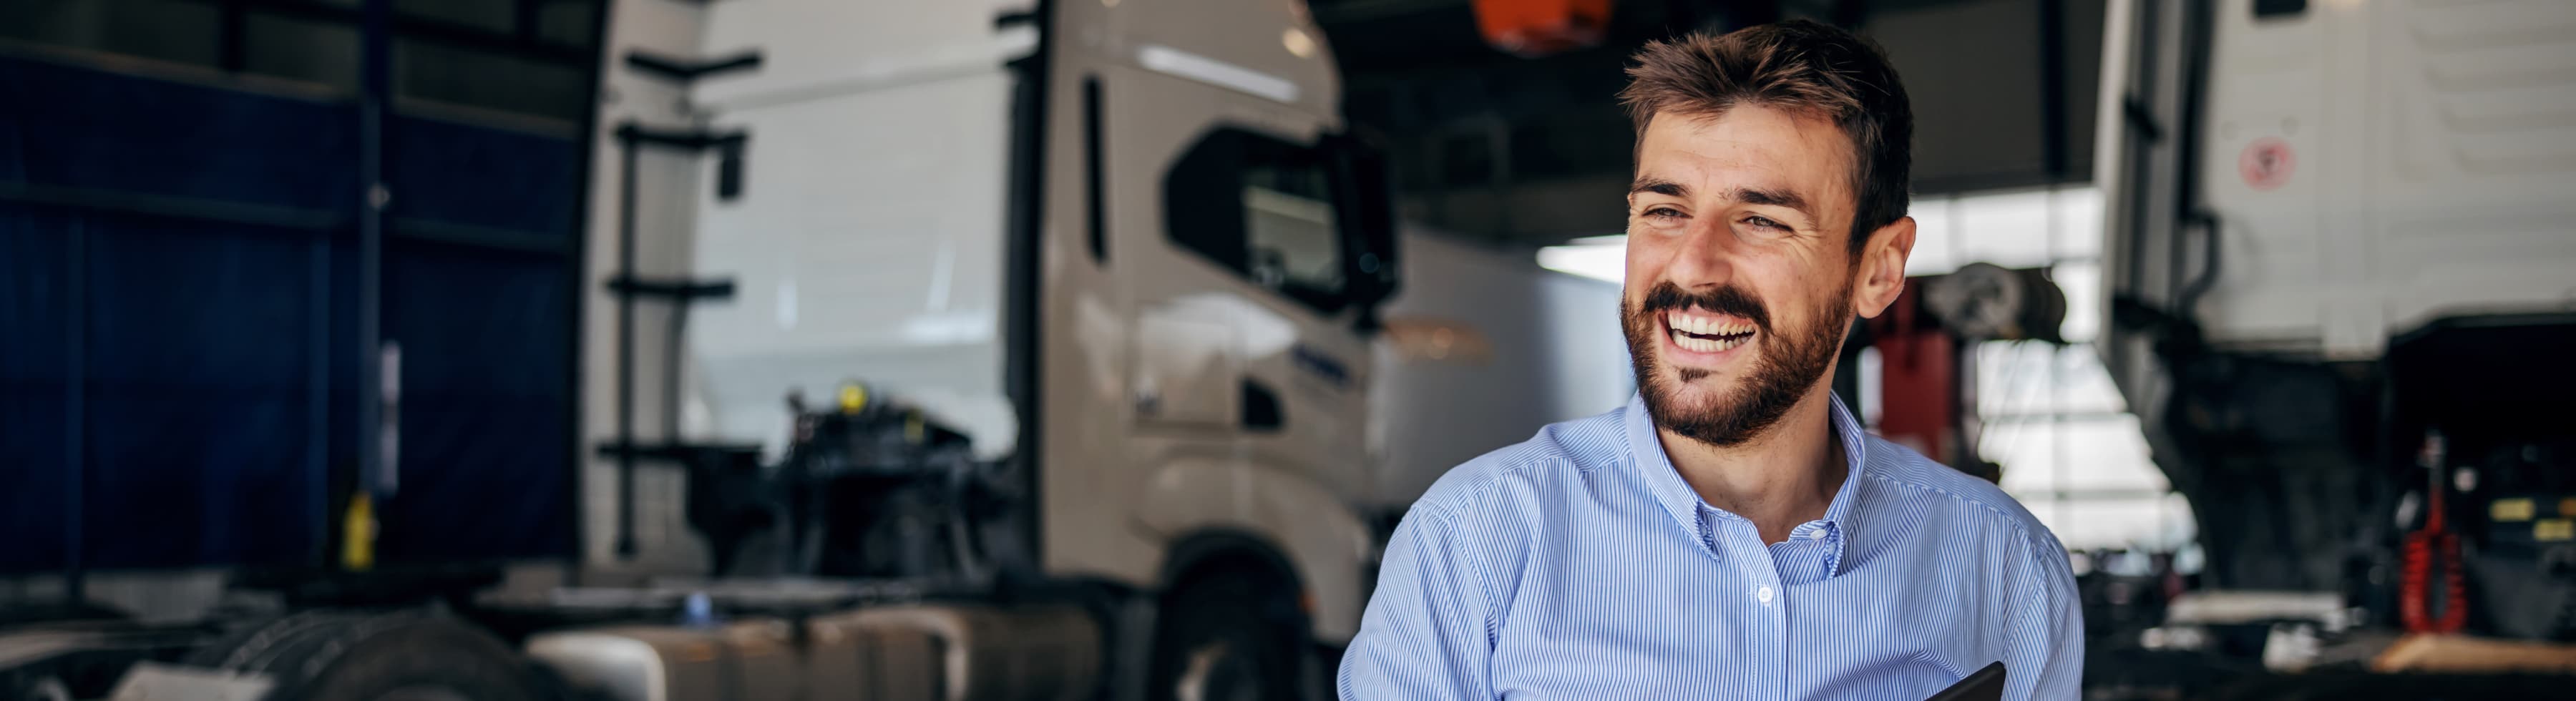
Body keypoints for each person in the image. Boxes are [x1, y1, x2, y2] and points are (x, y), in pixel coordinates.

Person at [1336, 20, 2082, 700]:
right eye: (1664, 210)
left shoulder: (2005, 566)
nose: (1694, 267)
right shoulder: (1475, 539)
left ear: (1879, 269)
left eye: (1760, 219)